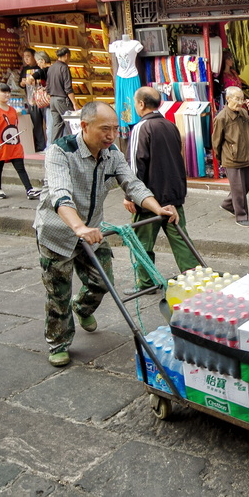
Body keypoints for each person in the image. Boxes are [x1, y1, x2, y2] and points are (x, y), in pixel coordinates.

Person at [34, 102, 178, 367]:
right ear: (85, 126)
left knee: (102, 282)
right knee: (58, 293)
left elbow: (132, 184)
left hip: (93, 231)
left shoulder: (112, 153)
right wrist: (78, 227)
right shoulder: (60, 151)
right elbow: (60, 193)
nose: (111, 135)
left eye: (115, 128)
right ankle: (58, 343)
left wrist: (159, 208)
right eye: (105, 129)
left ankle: (83, 307)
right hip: (58, 233)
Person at [123, 87, 199, 295]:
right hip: (173, 195)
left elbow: (135, 166)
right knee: (181, 240)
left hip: (149, 198)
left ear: (140, 104)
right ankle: (195, 278)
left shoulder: (141, 128)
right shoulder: (170, 125)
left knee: (141, 242)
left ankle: (146, 283)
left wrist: (131, 195)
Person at [212, 86, 249, 228]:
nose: (240, 102)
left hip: (246, 156)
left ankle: (227, 204)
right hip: (231, 158)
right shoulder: (221, 117)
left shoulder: (244, 113)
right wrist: (221, 159)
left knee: (246, 185)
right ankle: (241, 216)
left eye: (242, 99)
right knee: (238, 189)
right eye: (237, 99)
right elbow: (216, 141)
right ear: (228, 99)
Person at [0, 83, 42, 200]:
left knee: (20, 166)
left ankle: (29, 189)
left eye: (8, 92)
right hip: (0, 143)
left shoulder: (12, 109)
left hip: (13, 142)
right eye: (4, 92)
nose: (7, 95)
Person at [46, 47, 79, 142]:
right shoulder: (64, 67)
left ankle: (53, 147)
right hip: (62, 100)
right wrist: (74, 103)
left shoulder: (51, 67)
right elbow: (68, 88)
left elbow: (48, 86)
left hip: (52, 100)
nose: (69, 60)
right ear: (66, 55)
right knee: (71, 124)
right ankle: (75, 147)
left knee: (57, 125)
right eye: (69, 57)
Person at [18, 48, 45, 152]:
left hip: (43, 98)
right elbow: (20, 84)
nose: (26, 59)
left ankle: (50, 143)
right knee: (36, 123)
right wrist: (23, 83)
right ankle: (40, 145)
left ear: (35, 57)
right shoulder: (24, 70)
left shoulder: (40, 67)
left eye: (28, 56)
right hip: (31, 100)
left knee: (48, 121)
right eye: (24, 57)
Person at [27, 51, 53, 144]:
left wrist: (30, 80)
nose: (38, 64)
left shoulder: (45, 70)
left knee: (50, 125)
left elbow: (32, 78)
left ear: (42, 60)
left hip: (50, 100)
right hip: (56, 99)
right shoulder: (54, 68)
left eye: (38, 62)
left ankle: (50, 146)